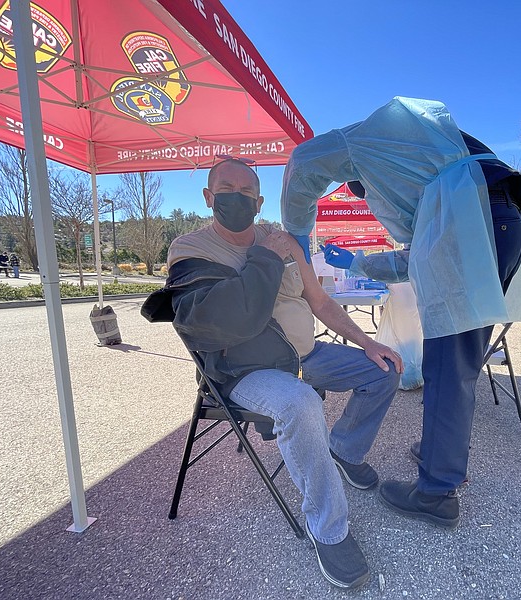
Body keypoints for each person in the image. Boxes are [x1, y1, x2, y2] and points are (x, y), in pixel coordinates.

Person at [280, 97, 521, 530]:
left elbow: (303, 160)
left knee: (448, 367)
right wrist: (357, 263)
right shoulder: (435, 161)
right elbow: (419, 257)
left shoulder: (366, 142)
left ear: (359, 174)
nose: (375, 204)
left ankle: (436, 493)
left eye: (366, 193)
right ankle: (439, 452)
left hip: (475, 227)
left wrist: (296, 230)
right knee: (458, 363)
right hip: (501, 224)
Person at [162, 158, 402, 589]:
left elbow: (321, 303)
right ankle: (329, 530)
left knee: (383, 370)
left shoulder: (286, 241)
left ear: (258, 202)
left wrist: (369, 343)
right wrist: (262, 258)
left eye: (245, 192)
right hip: (245, 371)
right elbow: (228, 319)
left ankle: (343, 451)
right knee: (299, 402)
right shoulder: (191, 249)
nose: (234, 197)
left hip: (304, 357)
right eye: (225, 187)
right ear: (208, 197)